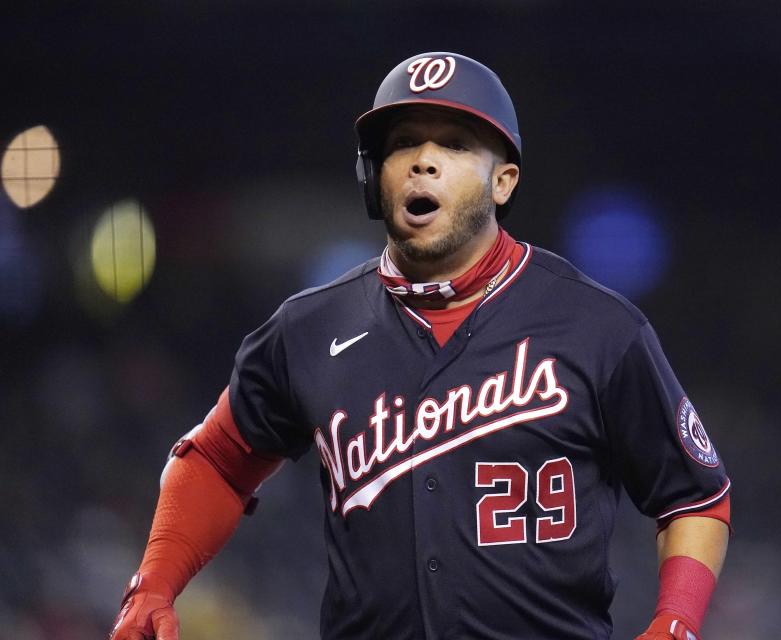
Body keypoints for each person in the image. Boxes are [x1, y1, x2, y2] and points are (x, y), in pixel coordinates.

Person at [110, 51, 731, 640]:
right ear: (374, 177)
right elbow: (216, 460)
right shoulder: (307, 329)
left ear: (503, 182)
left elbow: (696, 497)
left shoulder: (596, 326)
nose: (423, 161)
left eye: (455, 145)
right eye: (403, 143)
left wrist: (676, 621)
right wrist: (154, 583)